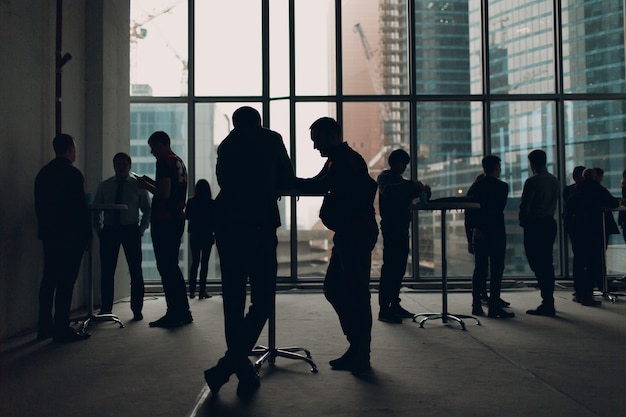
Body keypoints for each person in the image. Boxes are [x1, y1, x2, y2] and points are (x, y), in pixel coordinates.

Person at [203, 106, 295, 397]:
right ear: (259, 122)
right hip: (259, 227)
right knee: (263, 300)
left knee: (233, 301)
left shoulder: (227, 145)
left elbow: (222, 181)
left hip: (228, 227)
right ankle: (229, 366)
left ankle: (241, 371)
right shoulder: (272, 139)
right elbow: (286, 178)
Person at [295, 117, 379, 376]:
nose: (315, 147)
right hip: (349, 233)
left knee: (353, 292)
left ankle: (360, 353)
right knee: (337, 289)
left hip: (356, 233)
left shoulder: (345, 160)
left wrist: (287, 182)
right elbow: (318, 183)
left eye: (317, 140)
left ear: (331, 136)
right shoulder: (336, 160)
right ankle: (356, 347)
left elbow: (321, 185)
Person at [35, 133, 92, 342]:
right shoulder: (73, 174)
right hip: (71, 236)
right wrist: (87, 235)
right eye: (74, 148)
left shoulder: (43, 174)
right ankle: (61, 327)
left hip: (50, 235)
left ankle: (44, 325)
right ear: (69, 148)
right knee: (66, 282)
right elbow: (80, 209)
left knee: (49, 279)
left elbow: (39, 207)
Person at [136, 131, 192, 328]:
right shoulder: (178, 162)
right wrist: (151, 182)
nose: (152, 152)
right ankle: (183, 311)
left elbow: (164, 193)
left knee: (166, 267)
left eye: (153, 147)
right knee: (173, 266)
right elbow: (172, 189)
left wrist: (145, 185)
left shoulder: (163, 162)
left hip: (164, 219)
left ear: (162, 144)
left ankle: (173, 312)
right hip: (177, 218)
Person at [92, 152, 151, 321]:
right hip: (110, 230)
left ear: (129, 166)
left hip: (130, 230)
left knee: (135, 271)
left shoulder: (138, 186)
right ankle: (106, 308)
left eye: (124, 164)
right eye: (118, 163)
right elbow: (97, 208)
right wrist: (99, 230)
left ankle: (137, 309)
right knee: (107, 271)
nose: (121, 166)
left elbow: (147, 209)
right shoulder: (105, 186)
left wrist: (141, 229)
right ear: (114, 165)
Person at [376, 148, 430, 323]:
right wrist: (413, 185)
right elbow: (389, 191)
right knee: (390, 268)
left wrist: (425, 190)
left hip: (401, 228)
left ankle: (394, 304)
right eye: (402, 164)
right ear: (394, 163)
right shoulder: (384, 178)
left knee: (398, 268)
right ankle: (385, 308)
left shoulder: (404, 183)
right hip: (391, 228)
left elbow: (420, 195)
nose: (404, 167)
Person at [465, 155, 514, 318]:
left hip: (479, 232)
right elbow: (497, 209)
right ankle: (493, 306)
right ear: (496, 168)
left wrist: (471, 233)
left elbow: (469, 212)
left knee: (479, 269)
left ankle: (476, 305)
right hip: (496, 231)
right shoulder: (502, 187)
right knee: (496, 269)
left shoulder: (475, 187)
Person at [565, 168, 619, 305]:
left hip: (577, 231)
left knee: (578, 262)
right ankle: (587, 297)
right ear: (594, 177)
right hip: (592, 231)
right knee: (592, 263)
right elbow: (612, 203)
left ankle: (579, 293)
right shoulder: (596, 188)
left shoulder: (575, 189)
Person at [519, 149, 561, 317]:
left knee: (536, 262)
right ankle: (548, 300)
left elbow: (525, 206)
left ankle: (547, 302)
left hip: (535, 225)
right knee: (547, 262)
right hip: (549, 223)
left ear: (532, 163)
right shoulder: (555, 181)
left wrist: (523, 222)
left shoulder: (532, 182)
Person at [185, 179, 215, 300]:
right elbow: (215, 220)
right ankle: (202, 291)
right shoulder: (211, 203)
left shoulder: (191, 202)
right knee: (205, 263)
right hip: (207, 235)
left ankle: (192, 291)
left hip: (195, 235)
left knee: (195, 263)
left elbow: (187, 216)